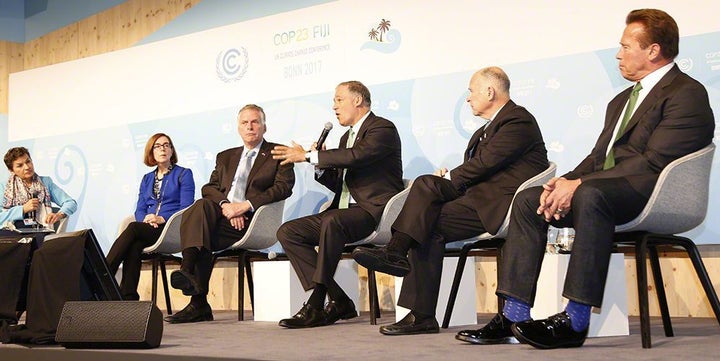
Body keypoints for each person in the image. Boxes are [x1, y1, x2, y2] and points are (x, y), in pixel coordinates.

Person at [456, 9, 715, 349]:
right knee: (527, 200)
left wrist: (579, 186)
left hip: (649, 192)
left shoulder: (686, 93)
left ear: (652, 50)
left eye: (625, 47)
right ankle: (514, 315)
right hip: (606, 191)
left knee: (591, 194)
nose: (618, 54)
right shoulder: (622, 100)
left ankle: (575, 320)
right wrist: (561, 183)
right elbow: (597, 159)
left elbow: (654, 162)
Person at [352, 67, 549, 335]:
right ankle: (418, 308)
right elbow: (479, 168)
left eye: (471, 91)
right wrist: (448, 179)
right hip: (476, 200)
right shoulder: (483, 131)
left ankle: (397, 254)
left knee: (426, 198)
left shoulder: (518, 121)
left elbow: (486, 164)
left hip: (498, 205)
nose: (467, 98)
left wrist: (451, 178)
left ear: (489, 91)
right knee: (425, 209)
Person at [270, 80, 403, 328]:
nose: (334, 106)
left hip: (373, 212)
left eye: (339, 99)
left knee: (333, 221)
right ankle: (340, 299)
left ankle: (316, 303)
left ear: (358, 100)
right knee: (288, 231)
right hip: (343, 214)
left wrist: (309, 156)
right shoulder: (344, 138)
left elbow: (358, 156)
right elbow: (341, 183)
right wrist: (321, 166)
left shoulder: (382, 128)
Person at [164, 104, 295, 324]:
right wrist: (227, 206)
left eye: (255, 122)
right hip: (222, 216)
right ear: (238, 128)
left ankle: (196, 297)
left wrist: (244, 206)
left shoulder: (277, 153)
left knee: (201, 229)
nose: (250, 127)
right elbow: (209, 188)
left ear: (264, 126)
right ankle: (194, 291)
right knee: (202, 206)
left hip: (251, 221)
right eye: (245, 122)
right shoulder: (225, 156)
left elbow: (283, 188)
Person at [106, 133, 195, 301]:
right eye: (158, 146)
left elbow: (187, 208)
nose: (163, 149)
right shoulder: (147, 179)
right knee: (134, 245)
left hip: (172, 228)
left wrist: (162, 219)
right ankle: (128, 297)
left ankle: (105, 272)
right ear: (151, 152)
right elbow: (139, 209)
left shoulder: (184, 174)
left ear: (171, 150)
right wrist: (146, 219)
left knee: (132, 228)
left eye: (166, 145)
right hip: (149, 228)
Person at [0, 147, 77, 324]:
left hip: (40, 231)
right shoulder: (4, 188)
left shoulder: (45, 182)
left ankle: (35, 308)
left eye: (28, 161)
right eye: (20, 165)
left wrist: (59, 214)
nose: (26, 167)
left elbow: (70, 202)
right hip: (12, 233)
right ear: (12, 170)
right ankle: (9, 309)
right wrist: (21, 209)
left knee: (39, 251)